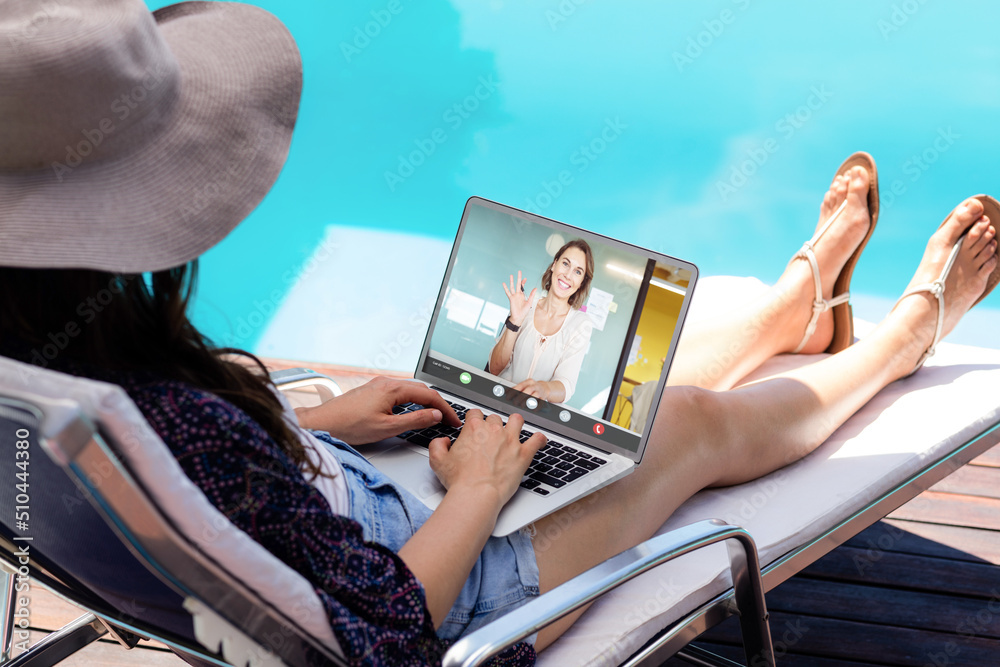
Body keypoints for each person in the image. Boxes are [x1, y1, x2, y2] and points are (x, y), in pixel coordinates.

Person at [1, 3, 998, 667]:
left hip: (347, 502)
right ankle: (905, 337)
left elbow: (218, 491)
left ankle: (793, 310)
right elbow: (380, 635)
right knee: (679, 425)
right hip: (443, 584)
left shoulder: (49, 370)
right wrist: (477, 488)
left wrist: (326, 426)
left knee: (590, 406)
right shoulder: (169, 417)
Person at [488, 239, 595, 403]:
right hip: (498, 401)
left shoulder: (581, 324)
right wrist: (515, 321)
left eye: (578, 271)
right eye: (565, 264)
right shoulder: (526, 307)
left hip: (534, 415)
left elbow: (566, 386)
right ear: (554, 265)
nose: (568, 275)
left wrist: (543, 389)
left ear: (581, 284)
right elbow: (494, 369)